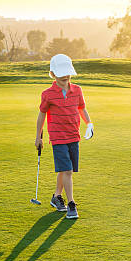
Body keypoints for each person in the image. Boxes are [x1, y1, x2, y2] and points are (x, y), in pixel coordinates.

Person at [35, 53, 93, 219]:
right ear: (53, 74)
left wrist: (89, 123)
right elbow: (41, 115)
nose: (66, 76)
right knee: (67, 169)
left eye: (67, 72)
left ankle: (56, 197)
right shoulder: (47, 94)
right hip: (58, 137)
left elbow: (81, 108)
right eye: (61, 73)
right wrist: (38, 137)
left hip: (73, 135)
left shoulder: (77, 90)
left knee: (66, 170)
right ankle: (71, 204)